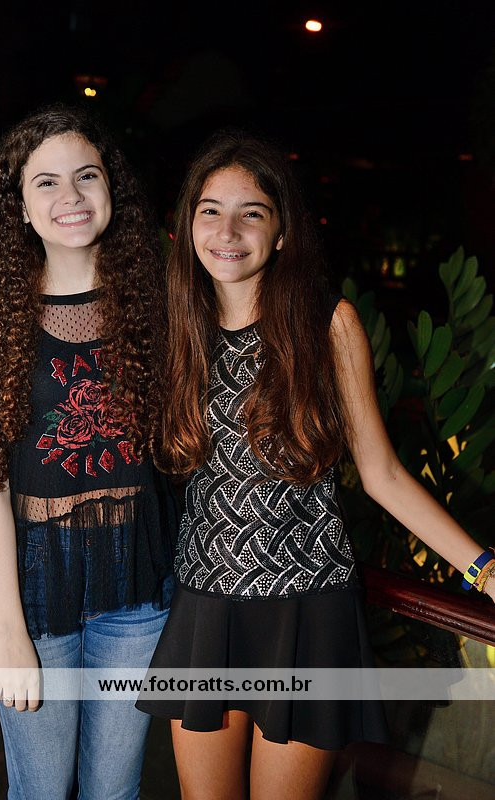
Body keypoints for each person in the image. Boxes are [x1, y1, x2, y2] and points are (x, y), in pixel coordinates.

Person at [136, 130, 495, 800]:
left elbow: (382, 473)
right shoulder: (174, 327)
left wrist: (485, 570)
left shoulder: (326, 325)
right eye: (210, 211)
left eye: (251, 213)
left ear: (281, 233)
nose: (227, 231)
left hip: (305, 614)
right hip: (205, 607)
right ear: (187, 225)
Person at [0, 105, 177, 800]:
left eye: (86, 175)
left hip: (137, 584)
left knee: (114, 791)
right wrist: (10, 630)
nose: (71, 195)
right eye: (46, 182)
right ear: (19, 207)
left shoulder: (158, 302)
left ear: (111, 187)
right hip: (33, 590)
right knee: (39, 791)